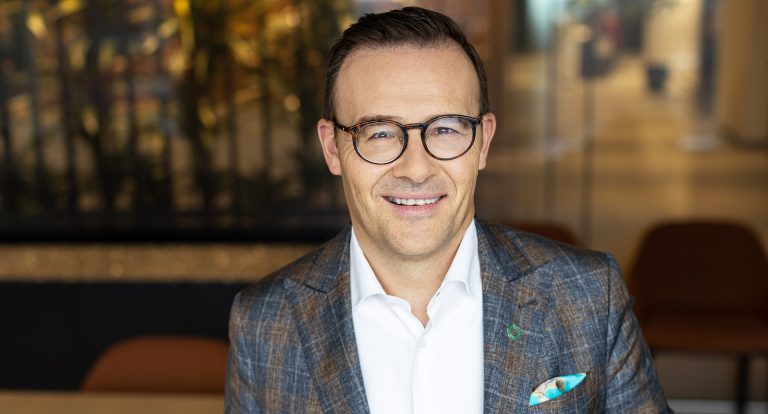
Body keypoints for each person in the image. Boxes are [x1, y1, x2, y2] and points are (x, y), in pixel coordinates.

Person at [226, 7, 670, 413]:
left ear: (483, 142)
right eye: (379, 132)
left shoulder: (589, 296)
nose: (416, 168)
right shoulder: (265, 322)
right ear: (332, 148)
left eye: (445, 129)